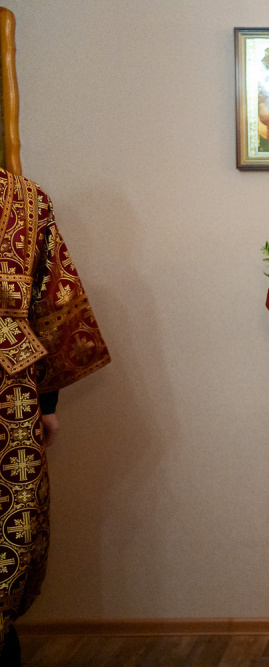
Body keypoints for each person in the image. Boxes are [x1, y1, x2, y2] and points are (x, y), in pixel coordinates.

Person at [0, 171, 110, 666]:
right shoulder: (23, 199)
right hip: (10, 393)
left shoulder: (28, 200)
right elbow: (55, 308)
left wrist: (45, 406)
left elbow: (53, 304)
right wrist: (47, 407)